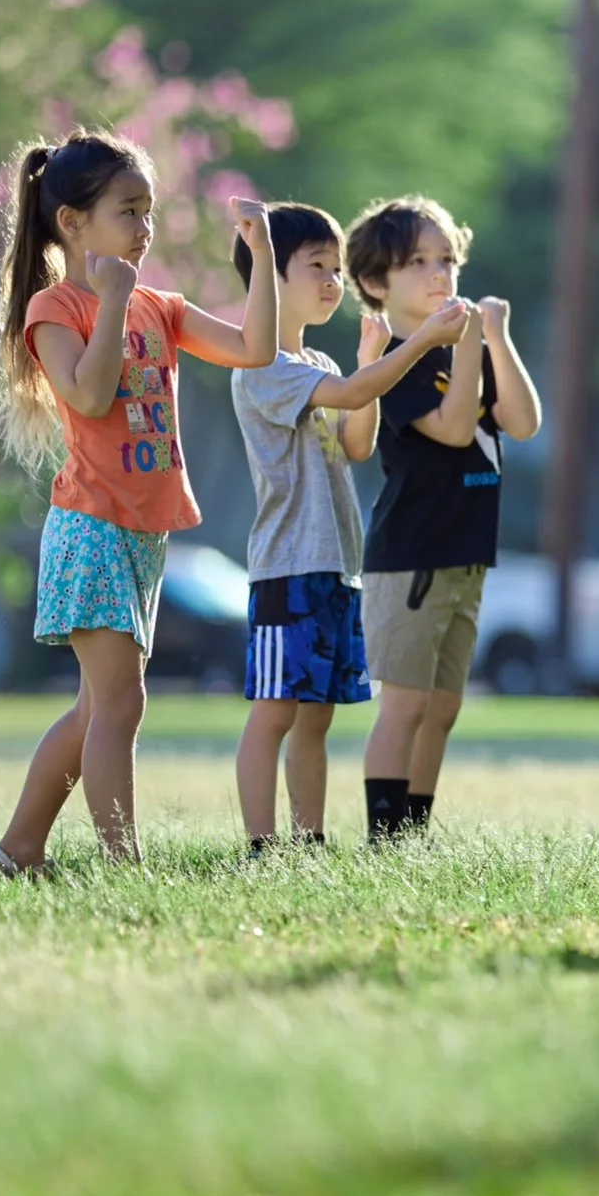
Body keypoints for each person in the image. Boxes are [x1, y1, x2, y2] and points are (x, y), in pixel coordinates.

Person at [0, 131, 278, 872]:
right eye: (128, 211)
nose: (144, 229)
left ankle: (19, 849)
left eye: (149, 212)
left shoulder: (161, 306)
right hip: (90, 524)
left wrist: (264, 252)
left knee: (96, 709)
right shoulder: (55, 307)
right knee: (121, 704)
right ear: (73, 223)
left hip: (145, 530)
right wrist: (111, 301)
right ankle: (124, 864)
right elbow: (87, 392)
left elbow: (254, 347)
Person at [230, 203, 473, 857]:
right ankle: (261, 842)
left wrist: (367, 361)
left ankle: (308, 842)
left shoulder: (318, 362)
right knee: (275, 711)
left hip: (335, 564)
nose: (333, 282)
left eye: (337, 269)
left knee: (318, 715)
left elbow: (356, 441)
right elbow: (352, 395)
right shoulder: (261, 365)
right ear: (268, 275)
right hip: (287, 565)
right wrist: (414, 344)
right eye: (318, 267)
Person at [347, 196, 543, 843]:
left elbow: (522, 421)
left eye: (447, 259)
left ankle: (413, 832)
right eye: (417, 262)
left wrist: (496, 337)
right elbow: (456, 429)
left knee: (444, 706)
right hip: (412, 555)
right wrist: (461, 346)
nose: (439, 274)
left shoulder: (472, 346)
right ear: (376, 285)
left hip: (466, 551)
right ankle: (384, 840)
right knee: (404, 705)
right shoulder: (399, 359)